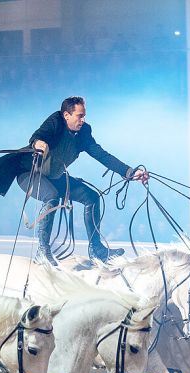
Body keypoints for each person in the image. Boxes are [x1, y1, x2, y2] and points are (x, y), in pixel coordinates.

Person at [20, 96, 149, 264]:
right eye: (79, 116)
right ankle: (42, 251)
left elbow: (101, 154)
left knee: (92, 197)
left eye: (84, 116)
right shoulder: (55, 121)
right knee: (51, 196)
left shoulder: (84, 132)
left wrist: (130, 172)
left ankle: (96, 250)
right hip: (29, 174)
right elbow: (37, 135)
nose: (82, 120)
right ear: (66, 115)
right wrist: (38, 142)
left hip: (54, 176)